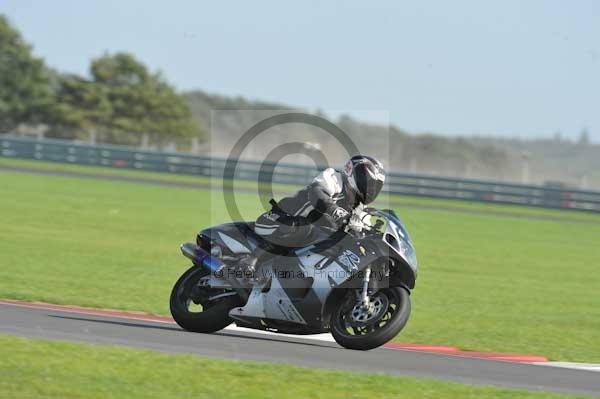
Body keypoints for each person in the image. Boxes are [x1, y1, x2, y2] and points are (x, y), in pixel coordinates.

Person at [241, 155, 386, 272]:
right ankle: (252, 259)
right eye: (368, 181)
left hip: (303, 240)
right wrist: (336, 211)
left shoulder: (360, 212)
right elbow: (317, 194)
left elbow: (360, 237)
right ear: (353, 173)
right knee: (303, 226)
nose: (371, 189)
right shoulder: (334, 178)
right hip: (278, 220)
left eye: (375, 186)